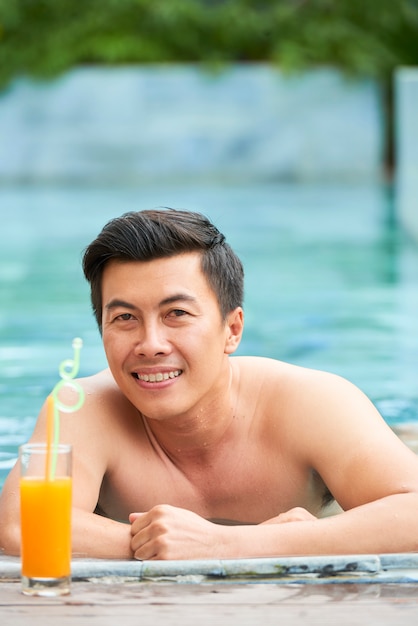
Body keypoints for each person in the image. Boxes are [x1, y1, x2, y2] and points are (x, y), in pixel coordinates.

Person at [1, 208, 418, 561]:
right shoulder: (82, 407)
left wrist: (228, 544)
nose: (150, 345)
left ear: (231, 329)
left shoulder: (314, 403)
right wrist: (174, 544)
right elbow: (20, 525)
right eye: (125, 318)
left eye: (177, 313)